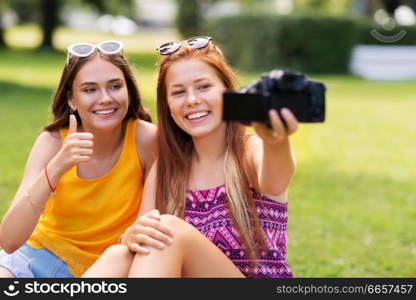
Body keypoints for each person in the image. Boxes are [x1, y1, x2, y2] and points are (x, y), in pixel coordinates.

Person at [83, 36, 298, 278]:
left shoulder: (251, 151)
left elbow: (276, 181)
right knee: (119, 254)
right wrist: (130, 236)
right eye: (178, 92)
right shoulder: (166, 169)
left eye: (204, 86)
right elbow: (143, 239)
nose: (192, 100)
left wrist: (277, 141)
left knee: (168, 231)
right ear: (167, 105)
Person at [0, 40, 158, 278]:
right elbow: (10, 240)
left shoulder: (147, 140)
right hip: (37, 257)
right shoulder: (52, 142)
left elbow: (147, 227)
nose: (105, 98)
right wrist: (56, 168)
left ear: (128, 89)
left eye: (115, 86)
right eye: (89, 89)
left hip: (109, 268)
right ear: (71, 99)